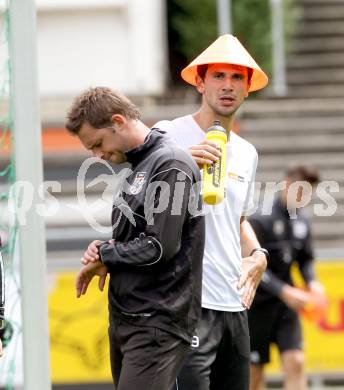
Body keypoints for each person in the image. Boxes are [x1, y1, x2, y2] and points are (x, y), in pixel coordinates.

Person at [65, 87, 205, 390]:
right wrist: (106, 248)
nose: (97, 155)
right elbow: (139, 239)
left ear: (118, 120)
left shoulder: (171, 164)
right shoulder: (137, 168)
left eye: (98, 144)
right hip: (129, 319)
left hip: (157, 321)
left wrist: (107, 256)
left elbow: (159, 247)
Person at [155, 34, 268, 390]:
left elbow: (238, 219)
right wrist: (183, 162)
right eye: (219, 76)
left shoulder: (247, 152)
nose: (228, 86)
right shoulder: (168, 135)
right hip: (186, 305)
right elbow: (138, 202)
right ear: (200, 82)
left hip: (234, 306)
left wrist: (258, 255)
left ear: (248, 88)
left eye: (238, 78)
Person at [248, 164, 327, 390]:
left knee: (296, 361)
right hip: (256, 305)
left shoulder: (302, 221)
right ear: (287, 185)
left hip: (286, 307)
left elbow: (305, 260)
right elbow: (250, 265)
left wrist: (313, 282)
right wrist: (284, 291)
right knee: (253, 373)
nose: (303, 198)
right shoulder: (260, 219)